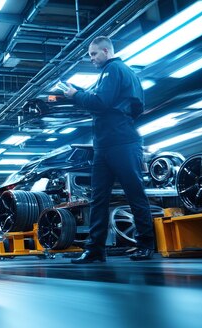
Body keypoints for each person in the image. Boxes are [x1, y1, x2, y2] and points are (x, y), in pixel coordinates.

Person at [63, 36, 154, 263]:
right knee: (98, 198)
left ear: (106, 50)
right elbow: (136, 108)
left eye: (94, 54)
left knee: (134, 193)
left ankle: (145, 244)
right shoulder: (118, 73)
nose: (92, 59)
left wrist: (77, 96)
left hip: (121, 143)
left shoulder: (113, 70)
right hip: (106, 144)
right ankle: (95, 249)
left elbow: (101, 103)